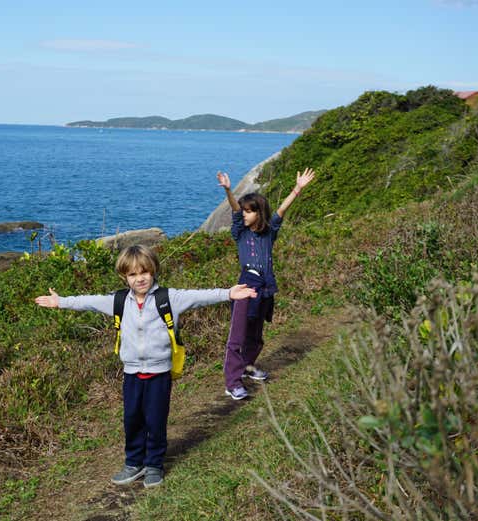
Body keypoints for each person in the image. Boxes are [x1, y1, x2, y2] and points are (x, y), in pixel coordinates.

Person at [34, 244, 257, 488]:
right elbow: (89, 301)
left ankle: (153, 464)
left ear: (153, 271)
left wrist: (228, 293)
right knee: (132, 419)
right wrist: (61, 301)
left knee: (155, 420)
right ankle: (134, 462)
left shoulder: (168, 298)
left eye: (145, 272)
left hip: (159, 373)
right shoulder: (119, 301)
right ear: (124, 277)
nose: (140, 278)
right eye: (132, 274)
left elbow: (199, 296)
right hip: (131, 373)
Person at [216, 167, 315, 400]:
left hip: (266, 286)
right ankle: (232, 382)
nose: (245, 214)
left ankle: (248, 366)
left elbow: (281, 211)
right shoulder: (240, 232)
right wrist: (229, 190)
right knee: (238, 336)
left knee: (256, 335)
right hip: (246, 286)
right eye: (245, 211)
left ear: (259, 214)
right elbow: (235, 211)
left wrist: (297, 189)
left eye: (250, 212)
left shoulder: (269, 232)